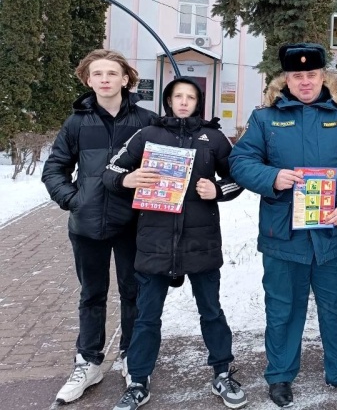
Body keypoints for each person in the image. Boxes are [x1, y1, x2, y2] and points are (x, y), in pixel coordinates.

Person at [228, 43, 337, 408]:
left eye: (312, 75)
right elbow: (240, 160)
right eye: (298, 76)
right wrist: (272, 176)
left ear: (323, 77)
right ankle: (280, 375)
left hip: (332, 234)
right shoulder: (265, 119)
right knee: (283, 309)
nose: (305, 82)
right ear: (286, 79)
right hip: (284, 236)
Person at [104, 77, 246, 410]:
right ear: (169, 100)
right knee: (147, 316)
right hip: (155, 242)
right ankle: (139, 380)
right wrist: (129, 178)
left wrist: (218, 190)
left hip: (201, 241)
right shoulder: (148, 135)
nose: (184, 102)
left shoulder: (212, 138)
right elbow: (110, 171)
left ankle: (222, 372)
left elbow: (240, 174)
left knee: (211, 311)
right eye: (177, 96)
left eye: (191, 97)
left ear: (199, 102)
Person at [42, 50, 155, 404]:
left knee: (133, 292)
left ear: (126, 79)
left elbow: (163, 167)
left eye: (112, 73)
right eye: (97, 74)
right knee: (91, 294)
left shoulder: (146, 121)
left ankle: (131, 359)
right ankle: (88, 361)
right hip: (86, 225)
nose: (105, 79)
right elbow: (54, 169)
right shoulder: (76, 123)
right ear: (88, 80)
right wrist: (75, 200)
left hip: (132, 223)